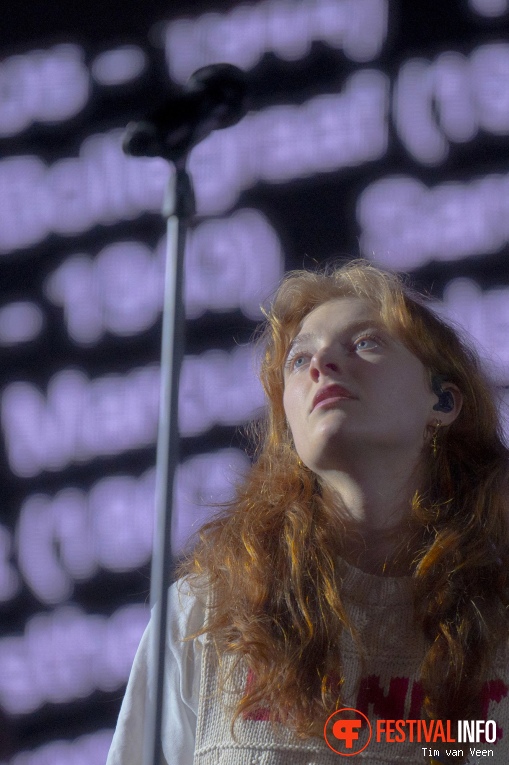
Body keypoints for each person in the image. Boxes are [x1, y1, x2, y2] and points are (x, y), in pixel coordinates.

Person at [106, 260, 509, 765]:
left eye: (365, 343)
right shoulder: (206, 614)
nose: (321, 366)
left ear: (443, 400)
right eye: (299, 360)